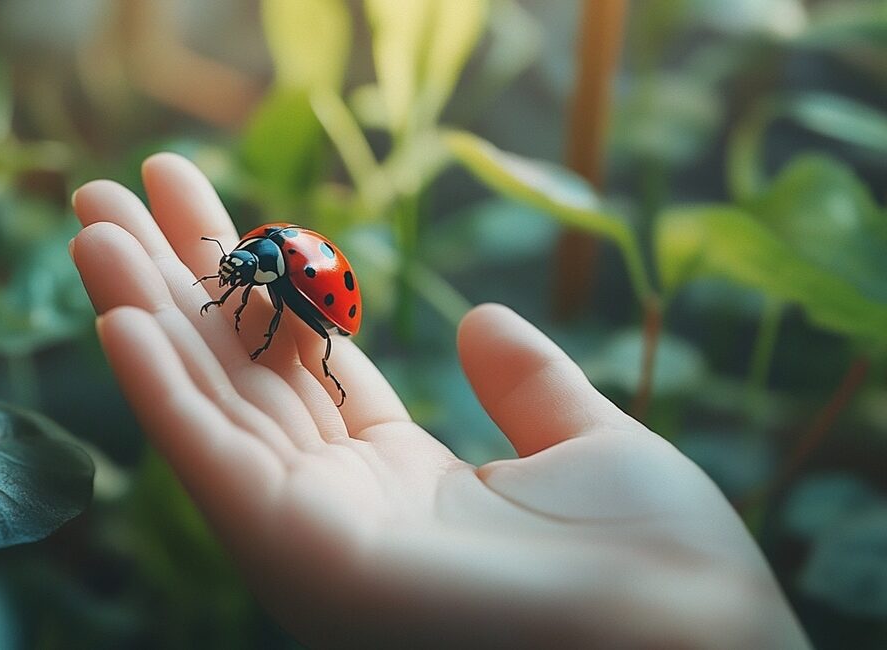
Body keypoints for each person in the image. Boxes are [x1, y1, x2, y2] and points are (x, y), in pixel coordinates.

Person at [68, 153, 811, 648]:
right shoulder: (262, 257)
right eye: (232, 271)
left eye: (237, 271)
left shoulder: (281, 265)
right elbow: (259, 275)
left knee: (306, 326)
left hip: (306, 292)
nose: (231, 277)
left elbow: (296, 302)